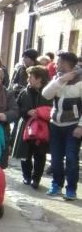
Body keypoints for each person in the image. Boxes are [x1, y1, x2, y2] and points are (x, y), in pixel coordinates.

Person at [42, 51, 82, 200]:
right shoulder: (57, 78)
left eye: (59, 63)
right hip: (55, 124)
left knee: (71, 158)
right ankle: (56, 184)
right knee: (56, 158)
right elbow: (46, 94)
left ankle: (71, 189)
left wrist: (81, 126)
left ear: (67, 64)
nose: (56, 65)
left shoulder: (80, 80)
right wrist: (61, 80)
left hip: (73, 125)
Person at [13, 65, 51, 188]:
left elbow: (52, 109)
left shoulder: (48, 93)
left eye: (31, 77)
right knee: (26, 154)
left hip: (43, 127)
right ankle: (27, 177)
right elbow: (17, 108)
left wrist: (41, 112)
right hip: (26, 126)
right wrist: (26, 112)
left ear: (39, 79)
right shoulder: (24, 92)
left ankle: (36, 179)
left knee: (40, 154)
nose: (28, 79)